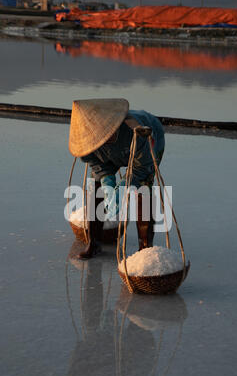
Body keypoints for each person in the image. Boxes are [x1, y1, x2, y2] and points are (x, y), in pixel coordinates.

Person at [68, 98, 165, 259]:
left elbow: (142, 167)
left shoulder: (139, 132)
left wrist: (123, 188)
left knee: (143, 189)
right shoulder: (87, 143)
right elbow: (96, 163)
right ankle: (94, 243)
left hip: (144, 147)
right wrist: (107, 182)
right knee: (96, 189)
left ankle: (145, 248)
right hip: (109, 157)